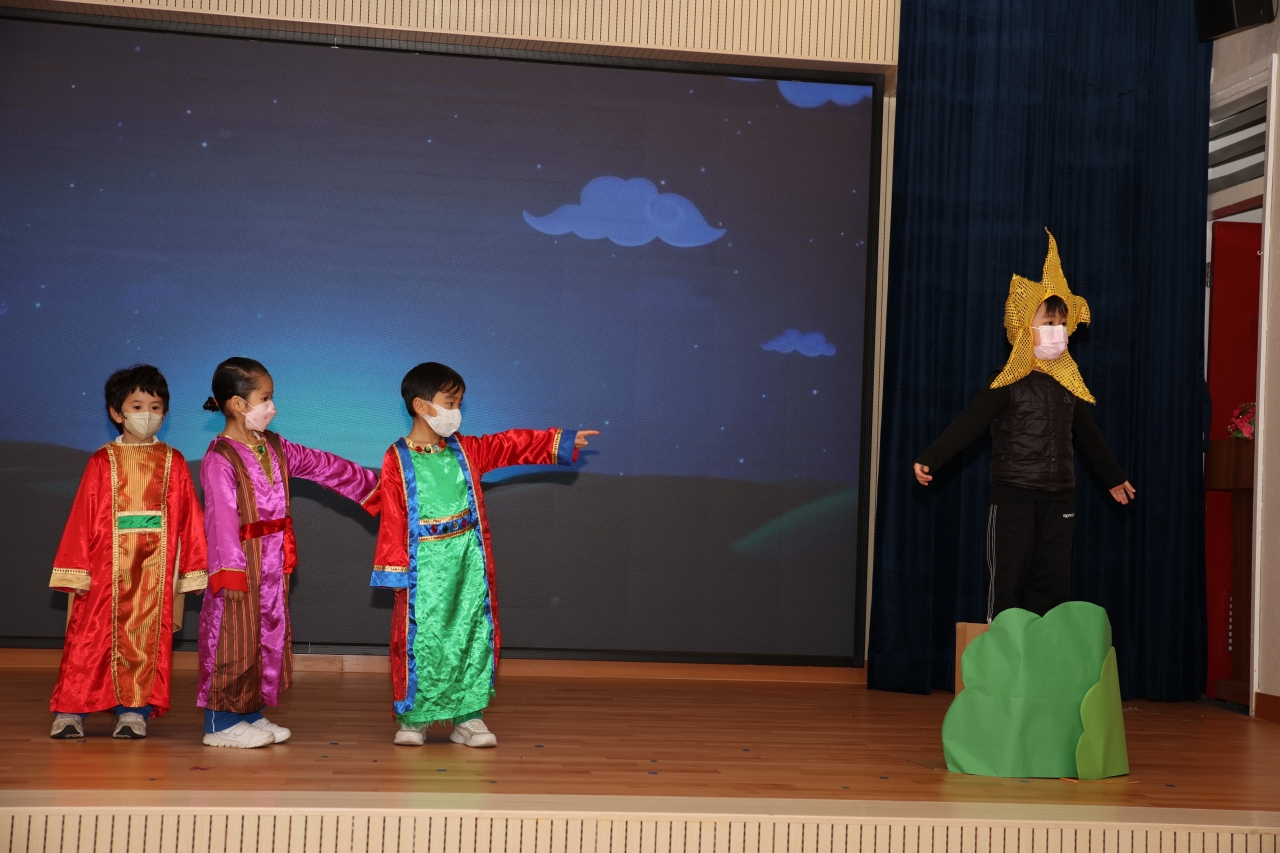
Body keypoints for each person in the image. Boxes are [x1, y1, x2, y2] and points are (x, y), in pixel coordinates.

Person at [373, 362, 598, 748]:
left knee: (472, 633)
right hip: (424, 566)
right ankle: (415, 718)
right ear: (421, 406)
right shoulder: (397, 457)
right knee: (422, 638)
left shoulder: (467, 450)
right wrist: (396, 571)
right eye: (450, 403)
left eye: (459, 403)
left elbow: (510, 444)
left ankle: (469, 718)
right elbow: (393, 514)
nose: (457, 411)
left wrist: (559, 441)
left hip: (468, 562)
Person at [912, 231, 1135, 620]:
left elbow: (1089, 436)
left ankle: (1043, 656)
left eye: (1062, 323)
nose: (1057, 329)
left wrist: (1113, 476)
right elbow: (970, 422)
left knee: (1053, 587)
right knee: (1008, 584)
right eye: (1048, 321)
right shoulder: (1006, 380)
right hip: (1014, 495)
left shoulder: (1068, 383)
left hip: (1059, 498)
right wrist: (932, 457)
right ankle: (1003, 653)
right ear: (1023, 326)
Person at [197, 357, 380, 748]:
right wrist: (230, 571)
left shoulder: (274, 446)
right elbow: (220, 520)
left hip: (274, 561)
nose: (272, 407)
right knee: (233, 635)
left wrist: (376, 488)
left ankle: (248, 710)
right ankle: (220, 722)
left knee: (264, 635)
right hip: (240, 563)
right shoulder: (220, 459)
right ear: (238, 404)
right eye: (265, 398)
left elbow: (324, 465)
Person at [48, 365, 208, 740]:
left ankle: (133, 711)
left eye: (155, 407)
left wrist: (194, 570)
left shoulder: (173, 461)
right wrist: (77, 570)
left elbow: (190, 518)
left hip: (155, 572)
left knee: (144, 640)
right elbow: (82, 517)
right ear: (116, 412)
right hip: (104, 567)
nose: (146, 414)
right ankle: (71, 710)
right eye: (137, 406)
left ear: (165, 412)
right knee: (89, 637)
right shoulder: (101, 461)